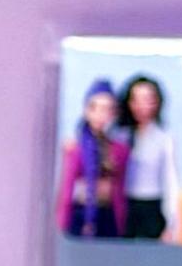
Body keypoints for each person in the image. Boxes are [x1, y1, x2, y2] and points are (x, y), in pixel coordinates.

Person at [55, 80, 129, 238]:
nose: (101, 115)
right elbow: (67, 189)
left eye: (107, 109)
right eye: (95, 108)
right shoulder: (76, 148)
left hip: (108, 215)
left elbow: (120, 188)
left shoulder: (119, 149)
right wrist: (61, 225)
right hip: (81, 214)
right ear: (87, 111)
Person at [116, 75, 180, 241]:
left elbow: (170, 181)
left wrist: (171, 222)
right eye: (136, 100)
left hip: (152, 206)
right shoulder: (119, 135)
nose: (141, 106)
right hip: (124, 205)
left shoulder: (164, 138)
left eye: (147, 99)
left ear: (157, 102)